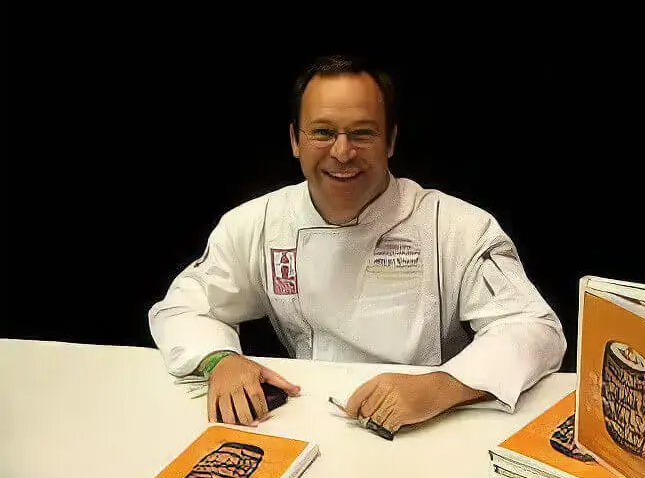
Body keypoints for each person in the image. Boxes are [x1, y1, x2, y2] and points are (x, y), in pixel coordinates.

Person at [148, 54, 567, 436]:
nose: (343, 152)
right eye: (323, 133)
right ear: (296, 140)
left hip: (431, 430)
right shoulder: (258, 224)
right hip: (307, 420)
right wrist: (219, 360)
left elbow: (535, 329)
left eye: (362, 134)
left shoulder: (455, 227)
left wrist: (440, 387)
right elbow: (184, 305)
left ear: (390, 141)